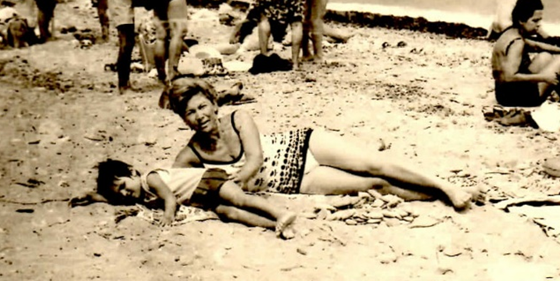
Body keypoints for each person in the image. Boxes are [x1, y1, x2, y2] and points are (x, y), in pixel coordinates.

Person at [168, 77, 479, 209]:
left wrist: (235, 182)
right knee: (374, 185)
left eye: (201, 106)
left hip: (303, 146)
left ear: (213, 103)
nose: (199, 116)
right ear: (184, 119)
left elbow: (254, 159)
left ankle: (446, 186)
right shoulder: (190, 155)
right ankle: (436, 197)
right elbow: (174, 183)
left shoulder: (238, 118)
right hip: (294, 181)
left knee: (374, 163)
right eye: (190, 112)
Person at [71, 159, 298, 239]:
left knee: (239, 199)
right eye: (118, 192)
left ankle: (280, 213)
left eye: (122, 186)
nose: (123, 193)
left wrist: (168, 216)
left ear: (132, 172)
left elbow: (170, 199)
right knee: (230, 214)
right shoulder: (135, 196)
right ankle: (274, 226)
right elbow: (113, 200)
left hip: (207, 181)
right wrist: (92, 196)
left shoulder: (149, 179)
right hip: (201, 197)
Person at [491, 0, 560, 107]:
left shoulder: (511, 33)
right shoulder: (517, 43)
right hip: (516, 98)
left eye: (540, 20)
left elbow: (536, 46)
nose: (538, 25)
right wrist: (544, 78)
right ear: (521, 20)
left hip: (504, 94)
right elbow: (509, 77)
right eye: (535, 21)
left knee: (545, 56)